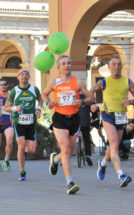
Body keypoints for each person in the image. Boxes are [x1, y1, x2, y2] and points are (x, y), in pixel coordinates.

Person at [41, 55, 93, 194]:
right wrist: (48, 102)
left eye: (69, 63)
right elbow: (44, 94)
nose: (67, 65)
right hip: (59, 119)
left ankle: (56, 159)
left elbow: (91, 97)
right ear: (58, 67)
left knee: (68, 151)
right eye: (63, 63)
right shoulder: (54, 82)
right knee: (65, 147)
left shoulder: (78, 83)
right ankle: (70, 183)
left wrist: (82, 101)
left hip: (74, 119)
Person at [90, 56, 134, 188]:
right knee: (114, 145)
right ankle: (121, 175)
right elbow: (90, 92)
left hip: (121, 116)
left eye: (119, 64)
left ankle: (103, 163)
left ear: (121, 67)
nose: (117, 66)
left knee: (114, 145)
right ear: (109, 67)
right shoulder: (103, 82)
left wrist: (129, 102)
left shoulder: (128, 82)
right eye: (114, 64)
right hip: (107, 115)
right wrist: (93, 104)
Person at [4, 69, 43, 181]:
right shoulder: (14, 91)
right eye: (22, 74)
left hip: (31, 122)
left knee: (31, 149)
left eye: (26, 74)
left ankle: (22, 153)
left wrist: (38, 109)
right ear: (18, 77)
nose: (24, 76)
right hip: (18, 122)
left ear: (29, 76)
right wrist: (16, 108)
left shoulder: (34, 89)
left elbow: (40, 101)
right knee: (21, 146)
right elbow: (6, 108)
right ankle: (22, 171)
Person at [0, 78, 14, 172]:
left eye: (5, 84)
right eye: (1, 84)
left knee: (9, 142)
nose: (3, 86)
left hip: (9, 122)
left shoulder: (11, 95)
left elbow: (16, 106)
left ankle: (6, 160)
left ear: (8, 85)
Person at [78, 93, 93, 166]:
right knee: (87, 139)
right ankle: (87, 155)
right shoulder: (88, 102)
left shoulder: (74, 100)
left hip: (75, 123)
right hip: (86, 124)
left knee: (70, 138)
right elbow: (93, 113)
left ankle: (64, 158)